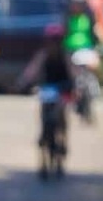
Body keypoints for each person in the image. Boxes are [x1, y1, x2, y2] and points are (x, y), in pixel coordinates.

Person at [19, 23, 75, 163]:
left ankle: (62, 137)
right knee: (45, 112)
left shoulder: (65, 55)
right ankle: (44, 134)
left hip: (63, 87)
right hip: (48, 88)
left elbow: (72, 71)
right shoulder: (43, 54)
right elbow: (32, 70)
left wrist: (74, 85)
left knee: (61, 113)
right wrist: (23, 82)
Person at [64, 1, 100, 122]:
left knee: (87, 79)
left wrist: (95, 51)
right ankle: (76, 99)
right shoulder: (68, 17)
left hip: (86, 49)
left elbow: (94, 34)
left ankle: (87, 102)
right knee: (75, 78)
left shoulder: (88, 18)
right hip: (70, 49)